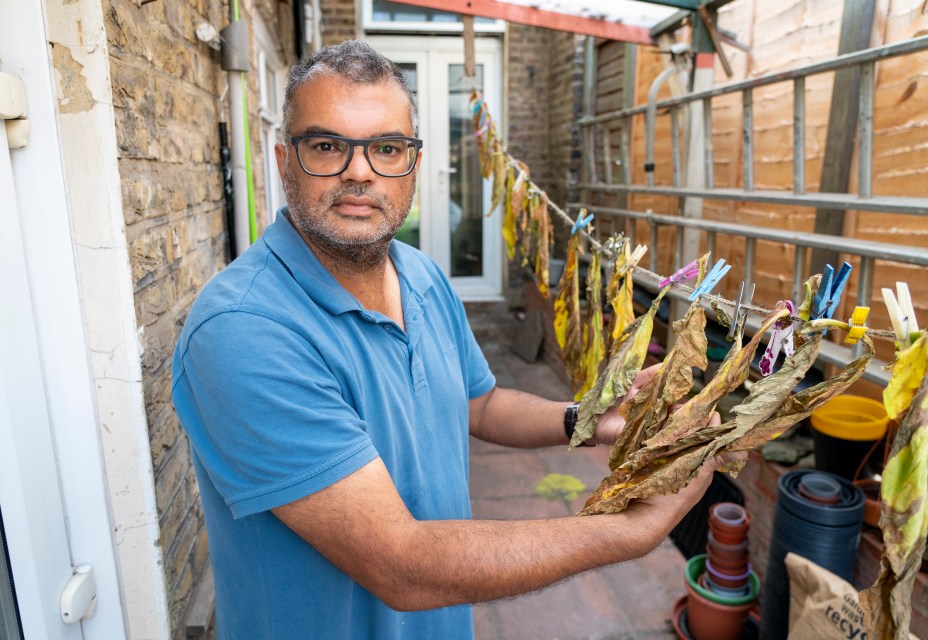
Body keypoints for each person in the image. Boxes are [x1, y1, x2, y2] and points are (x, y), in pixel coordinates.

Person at [172, 40, 734, 640]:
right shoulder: (244, 330)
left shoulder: (421, 276)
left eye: (386, 148)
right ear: (285, 161)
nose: (359, 171)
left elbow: (479, 403)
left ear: (412, 165)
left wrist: (588, 419)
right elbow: (401, 563)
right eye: (327, 146)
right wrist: (627, 531)